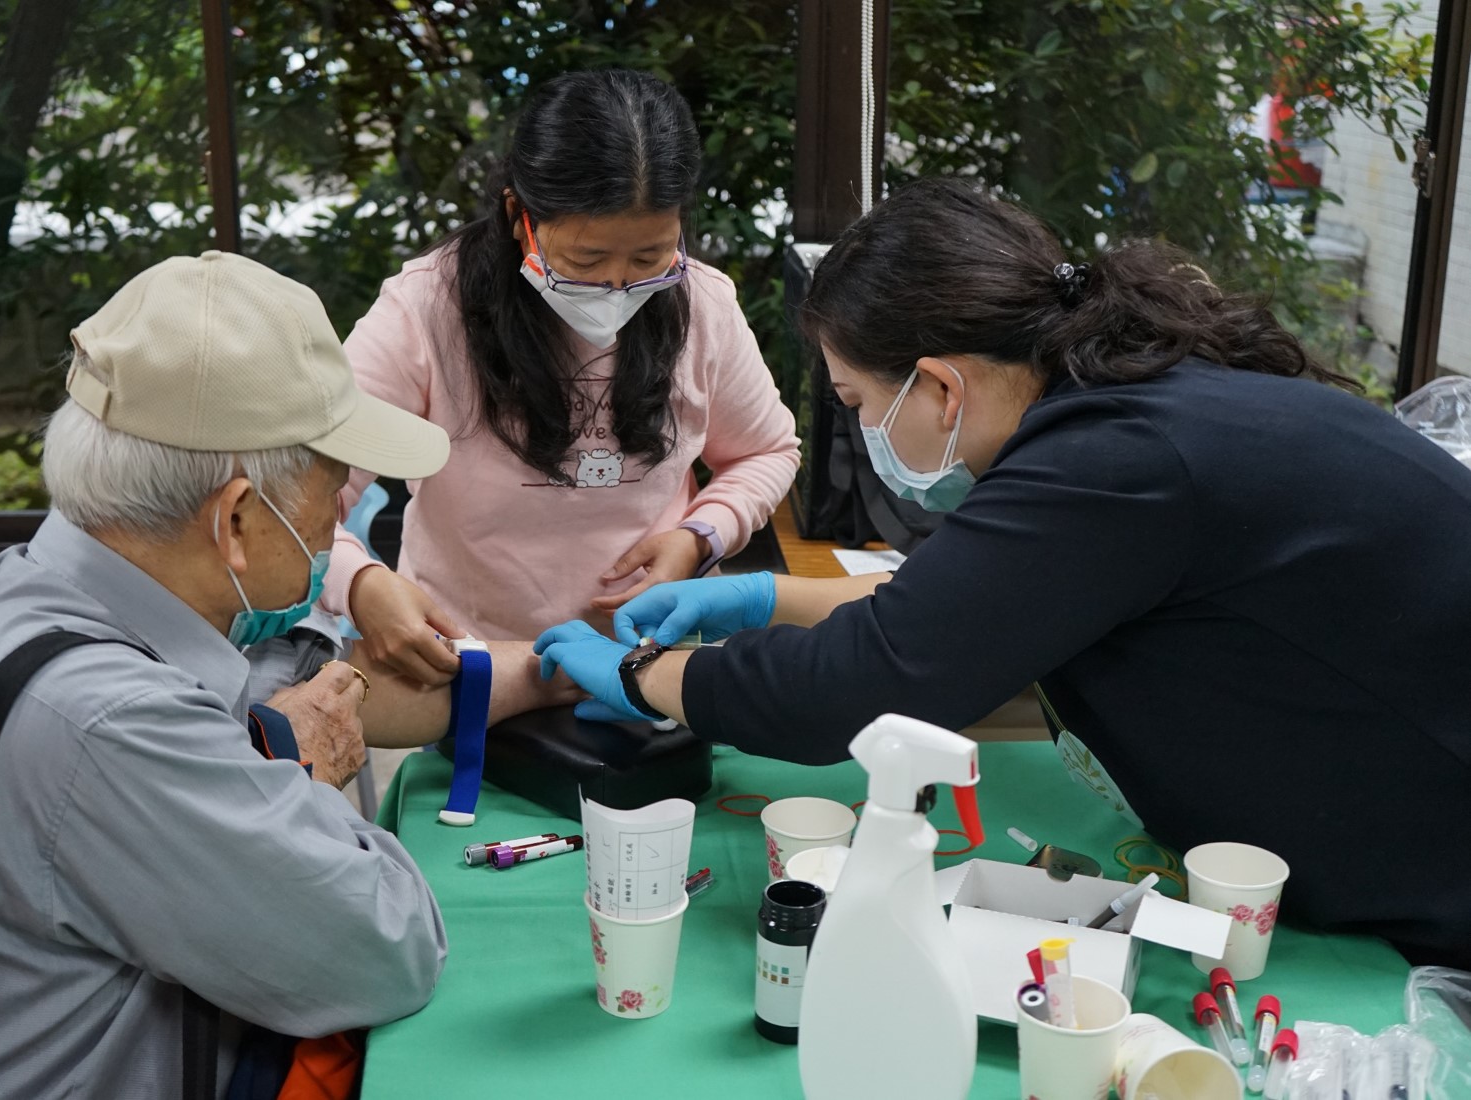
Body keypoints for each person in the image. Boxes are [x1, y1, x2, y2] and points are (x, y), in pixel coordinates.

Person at [534, 178, 1471, 968]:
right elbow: (967, 607)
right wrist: (762, 595)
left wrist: (640, 675)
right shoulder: (1125, 408)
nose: (861, 430)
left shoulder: (1113, 460)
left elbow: (855, 688)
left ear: (941, 386)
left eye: (857, 402)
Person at [0, 251, 570, 1098]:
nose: (340, 521)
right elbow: (385, 949)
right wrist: (294, 773)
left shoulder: (2, 598)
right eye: (333, 491)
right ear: (238, 519)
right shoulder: (111, 725)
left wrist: (263, 746)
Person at [322, 68, 801, 687]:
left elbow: (765, 452)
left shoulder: (702, 305)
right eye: (586, 259)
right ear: (519, 215)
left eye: (649, 256)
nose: (618, 285)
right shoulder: (426, 309)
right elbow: (299, 491)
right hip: (467, 667)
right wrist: (359, 583)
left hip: (648, 664)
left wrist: (700, 537)